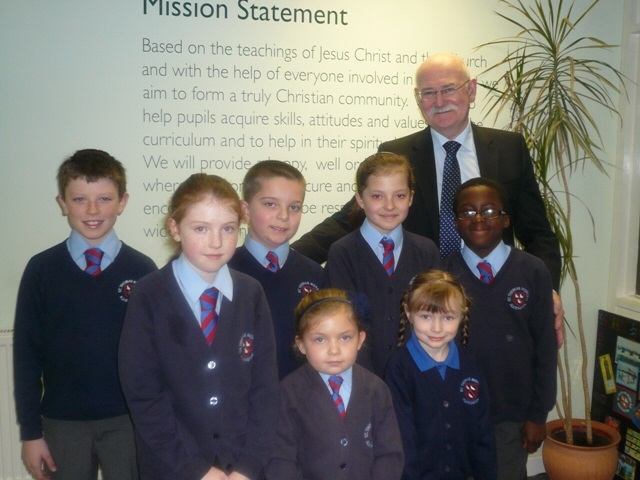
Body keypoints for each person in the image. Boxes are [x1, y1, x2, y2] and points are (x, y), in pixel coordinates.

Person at [291, 52, 564, 346]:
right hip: (423, 313)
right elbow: (349, 219)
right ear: (418, 98)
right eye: (428, 93)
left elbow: (536, 232)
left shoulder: (509, 149)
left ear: (471, 90)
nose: (439, 101)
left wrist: (547, 290)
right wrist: (285, 262)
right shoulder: (399, 153)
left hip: (493, 298)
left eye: (448, 89)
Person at [118, 173, 278, 480]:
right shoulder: (148, 295)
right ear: (175, 229)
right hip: (173, 467)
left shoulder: (251, 293)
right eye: (201, 228)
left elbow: (265, 389)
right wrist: (199, 471)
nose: (216, 242)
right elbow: (144, 394)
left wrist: (248, 466)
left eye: (228, 228)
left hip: (241, 469)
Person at [13, 149, 158, 480]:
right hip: (62, 424)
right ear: (62, 203)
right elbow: (26, 358)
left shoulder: (144, 270)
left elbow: (154, 356)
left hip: (128, 422)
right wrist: (31, 434)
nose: (92, 210)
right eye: (79, 199)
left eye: (104, 198)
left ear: (122, 202)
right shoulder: (41, 270)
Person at [444, 178, 556, 480]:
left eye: (489, 211)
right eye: (467, 213)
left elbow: (545, 347)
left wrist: (538, 415)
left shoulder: (532, 270)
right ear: (456, 223)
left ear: (506, 220)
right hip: (454, 410)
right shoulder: (443, 274)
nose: (478, 219)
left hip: (511, 415)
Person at [266, 288, 404, 480]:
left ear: (360, 339)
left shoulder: (377, 390)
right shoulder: (288, 393)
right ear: (301, 344)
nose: (334, 350)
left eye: (345, 337)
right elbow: (281, 461)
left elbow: (389, 455)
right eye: (320, 339)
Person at [324, 152, 439, 377]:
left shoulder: (426, 251)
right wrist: (368, 382)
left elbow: (435, 317)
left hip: (417, 377)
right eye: (377, 196)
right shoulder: (342, 253)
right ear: (359, 199)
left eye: (399, 195)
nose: (389, 206)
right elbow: (343, 323)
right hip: (360, 377)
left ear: (411, 197)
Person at [384, 270, 497, 480]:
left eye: (448, 317)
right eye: (426, 316)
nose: (436, 328)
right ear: (409, 313)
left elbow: (483, 433)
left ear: (462, 314)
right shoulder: (399, 368)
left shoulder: (471, 365)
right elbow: (402, 439)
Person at [229, 160, 324, 379]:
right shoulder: (224, 270)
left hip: (301, 402)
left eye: (294, 207)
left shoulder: (315, 276)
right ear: (245, 210)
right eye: (270, 204)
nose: (283, 216)